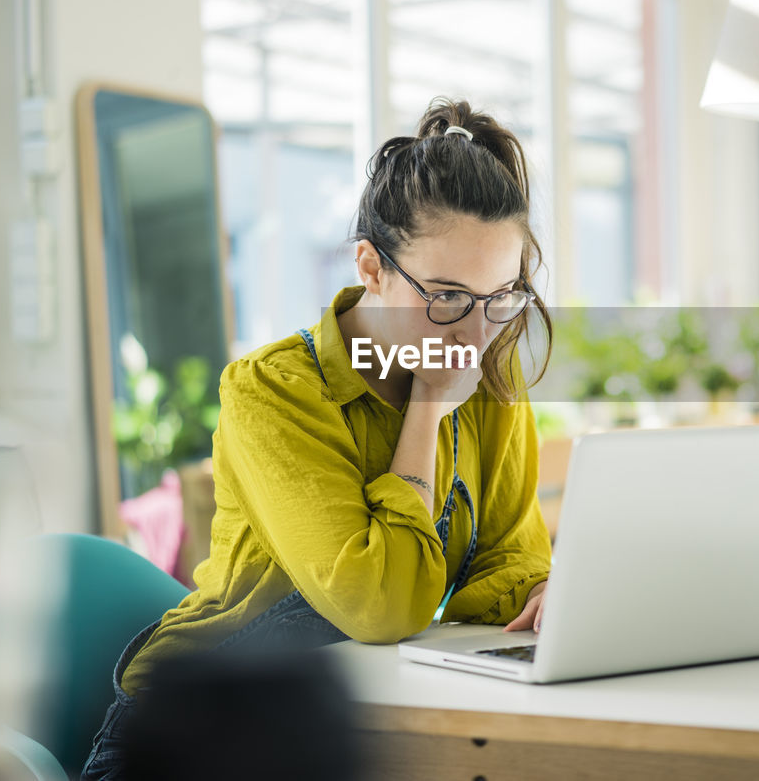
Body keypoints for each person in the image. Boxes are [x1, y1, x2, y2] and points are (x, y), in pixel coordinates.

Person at [81, 97, 554, 779]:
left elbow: (506, 565)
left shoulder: (489, 383)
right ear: (370, 267)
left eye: (500, 297)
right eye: (447, 297)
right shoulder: (272, 392)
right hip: (194, 736)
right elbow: (382, 606)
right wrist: (426, 408)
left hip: (354, 719)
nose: (477, 335)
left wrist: (540, 593)